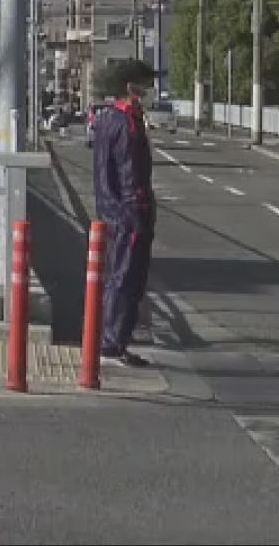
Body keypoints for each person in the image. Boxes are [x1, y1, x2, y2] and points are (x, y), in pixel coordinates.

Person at [91, 58, 157, 367]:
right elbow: (119, 175)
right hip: (128, 211)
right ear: (131, 87)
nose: (150, 91)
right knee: (124, 276)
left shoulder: (119, 118)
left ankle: (118, 340)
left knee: (129, 277)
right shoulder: (121, 122)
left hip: (127, 209)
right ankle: (111, 342)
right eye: (146, 85)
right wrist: (126, 212)